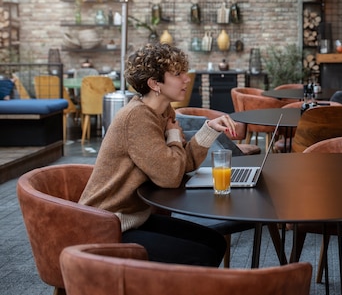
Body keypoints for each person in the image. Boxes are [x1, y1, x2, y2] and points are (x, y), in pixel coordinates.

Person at [79, 43, 237, 267]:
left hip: (135, 218)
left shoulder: (163, 111)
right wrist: (174, 135)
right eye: (177, 74)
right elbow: (171, 176)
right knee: (200, 254)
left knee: (213, 242)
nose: (187, 78)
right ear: (155, 84)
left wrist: (209, 128)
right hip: (107, 226)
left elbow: (181, 163)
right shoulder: (137, 118)